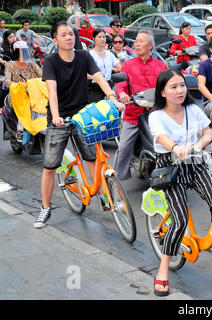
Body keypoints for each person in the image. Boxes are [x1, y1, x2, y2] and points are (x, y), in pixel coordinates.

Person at [35, 21, 124, 229]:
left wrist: (112, 97)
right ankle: (45, 208)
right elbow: (52, 91)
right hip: (60, 118)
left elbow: (100, 78)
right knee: (50, 167)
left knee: (93, 159)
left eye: (71, 34)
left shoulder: (84, 56)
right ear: (56, 40)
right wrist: (56, 116)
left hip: (83, 115)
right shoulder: (51, 61)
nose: (69, 37)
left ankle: (102, 195)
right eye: (64, 35)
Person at [149, 69, 212, 297]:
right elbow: (161, 137)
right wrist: (175, 148)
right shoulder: (156, 116)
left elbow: (208, 131)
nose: (179, 90)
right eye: (173, 87)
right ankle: (162, 270)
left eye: (181, 85)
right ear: (162, 92)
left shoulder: (192, 109)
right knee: (179, 220)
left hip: (195, 160)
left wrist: (200, 143)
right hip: (169, 166)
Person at [114, 30, 168, 181]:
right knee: (124, 146)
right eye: (136, 41)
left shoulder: (161, 66)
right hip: (133, 114)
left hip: (156, 113)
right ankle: (116, 179)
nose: (137, 44)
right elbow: (121, 85)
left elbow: (167, 85)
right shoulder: (128, 65)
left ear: (150, 45)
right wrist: (123, 95)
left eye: (141, 41)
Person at [4, 41, 42, 141]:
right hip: (17, 96)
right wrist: (15, 85)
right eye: (21, 53)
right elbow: (7, 80)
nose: (23, 56)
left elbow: (43, 75)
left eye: (24, 52)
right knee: (27, 105)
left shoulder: (32, 64)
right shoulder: (10, 65)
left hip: (34, 93)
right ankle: (19, 130)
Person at [88, 28, 121, 103]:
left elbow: (119, 67)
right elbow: (84, 72)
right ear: (94, 39)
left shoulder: (109, 54)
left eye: (104, 37)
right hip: (95, 85)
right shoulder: (89, 54)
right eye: (99, 37)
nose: (102, 39)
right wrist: (94, 77)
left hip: (109, 84)